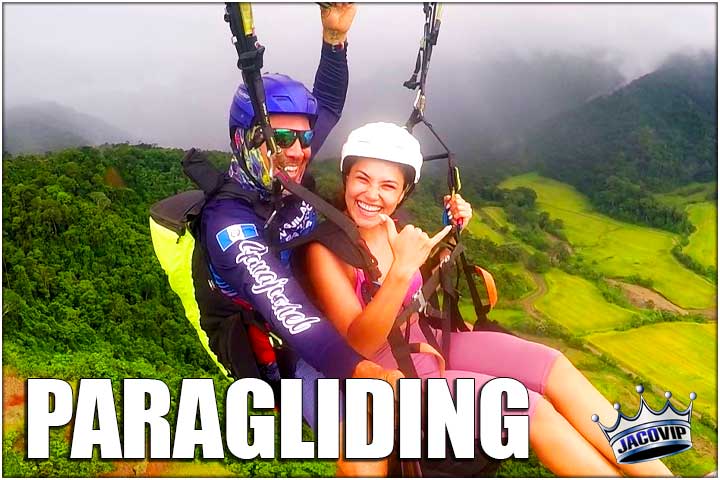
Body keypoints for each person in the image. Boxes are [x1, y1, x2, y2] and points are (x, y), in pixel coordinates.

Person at [300, 122, 674, 477]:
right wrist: (399, 273)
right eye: (362, 179)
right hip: (389, 375)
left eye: (387, 186)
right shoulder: (328, 250)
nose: (371, 195)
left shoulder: (394, 227)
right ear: (345, 178)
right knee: (526, 407)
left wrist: (453, 231)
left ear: (402, 194)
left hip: (427, 342)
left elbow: (420, 277)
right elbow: (357, 343)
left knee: (551, 364)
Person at [189, 6, 401, 474]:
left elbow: (326, 103)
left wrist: (333, 39)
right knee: (366, 446)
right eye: (283, 138)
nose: (299, 151)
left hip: (329, 311)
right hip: (281, 343)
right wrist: (373, 375)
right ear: (244, 140)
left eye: (304, 141)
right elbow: (287, 312)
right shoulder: (229, 222)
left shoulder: (283, 170)